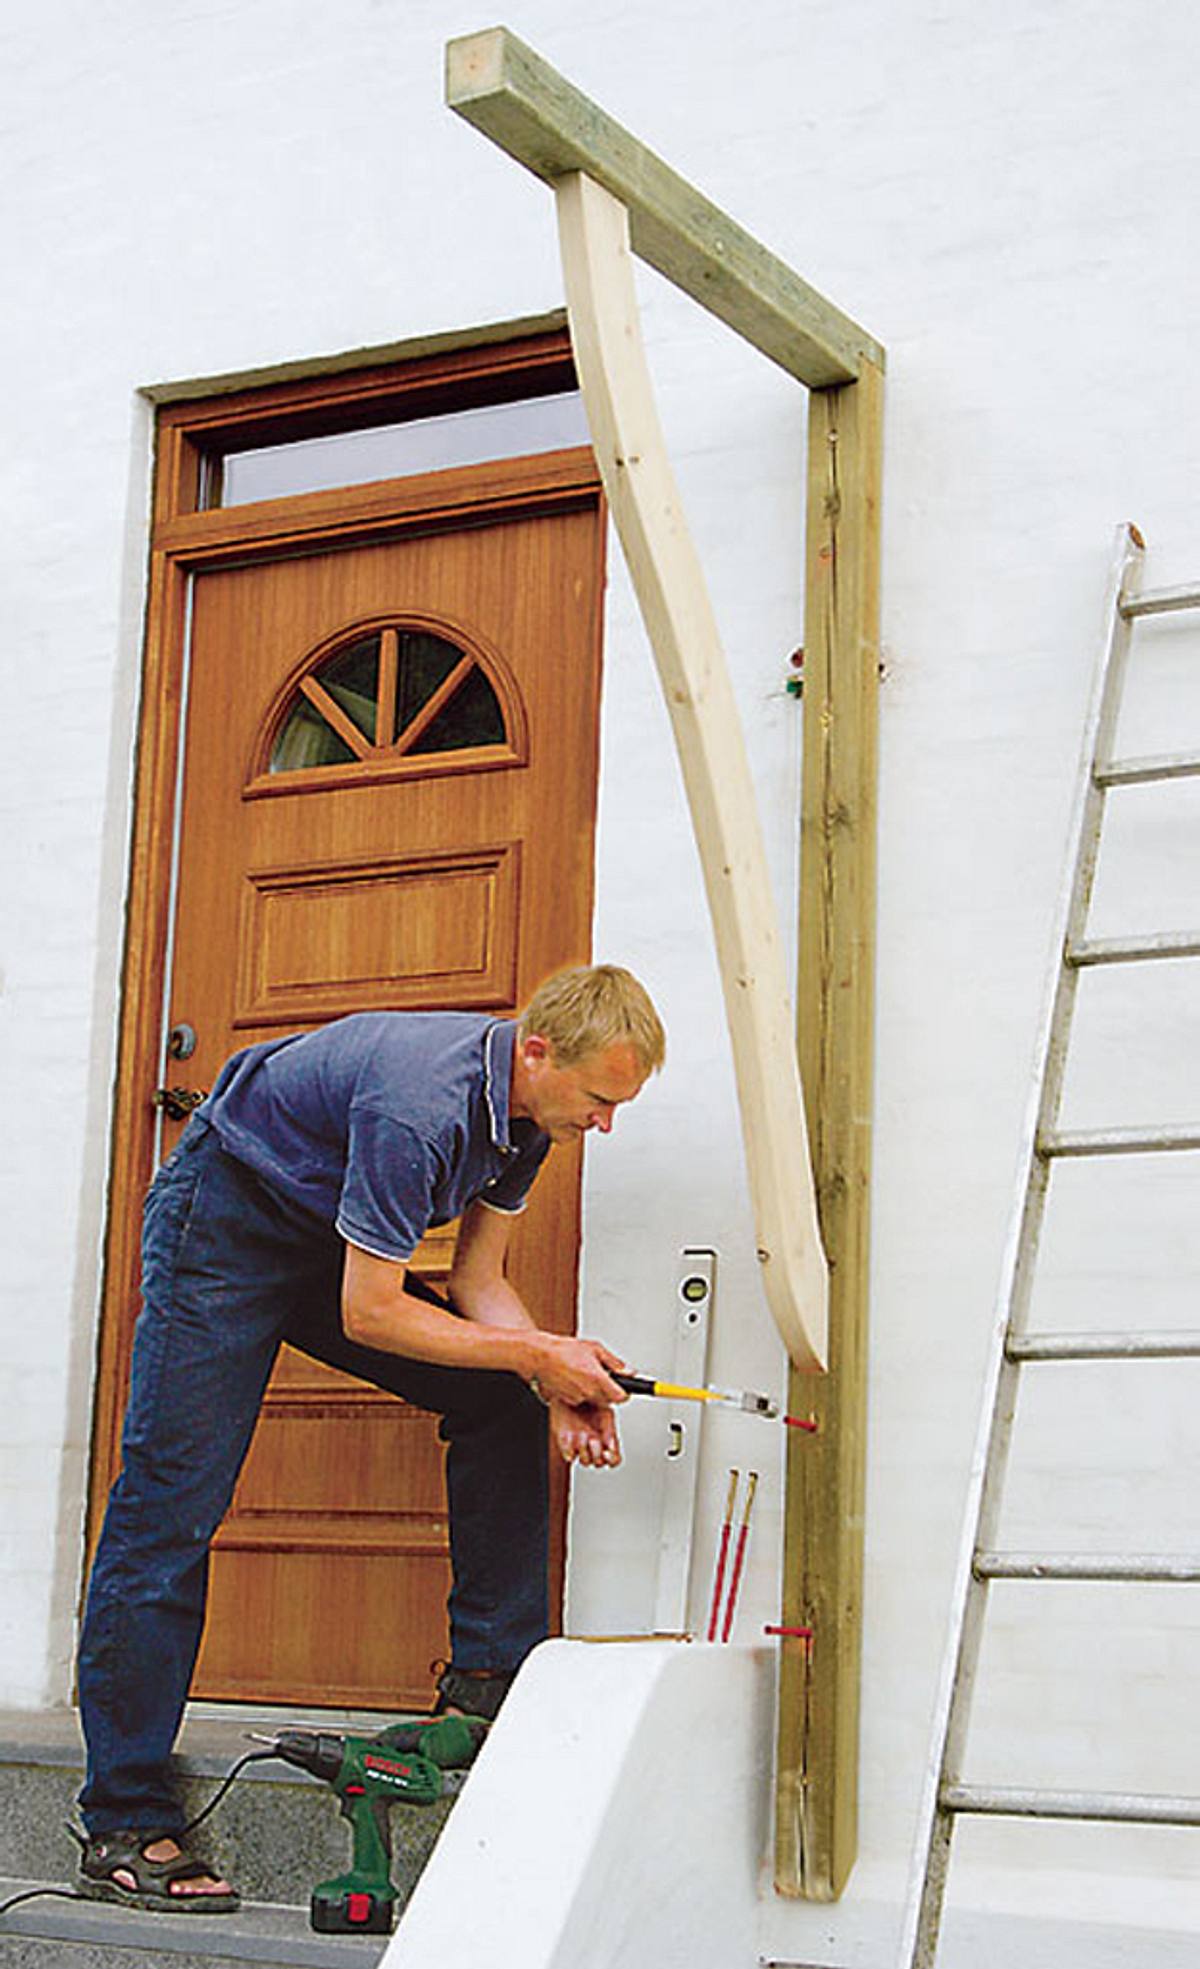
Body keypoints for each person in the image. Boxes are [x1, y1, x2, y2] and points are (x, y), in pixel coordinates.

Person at [74, 963, 665, 1912]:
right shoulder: (422, 1107)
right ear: (541, 1051)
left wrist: (549, 1367)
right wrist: (535, 1354)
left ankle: (487, 1685)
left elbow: (479, 1281)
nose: (605, 1124)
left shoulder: (526, 1120)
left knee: (503, 1398)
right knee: (170, 1507)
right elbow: (373, 1312)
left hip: (324, 1239)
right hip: (222, 1225)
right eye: (599, 1100)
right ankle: (120, 1818)